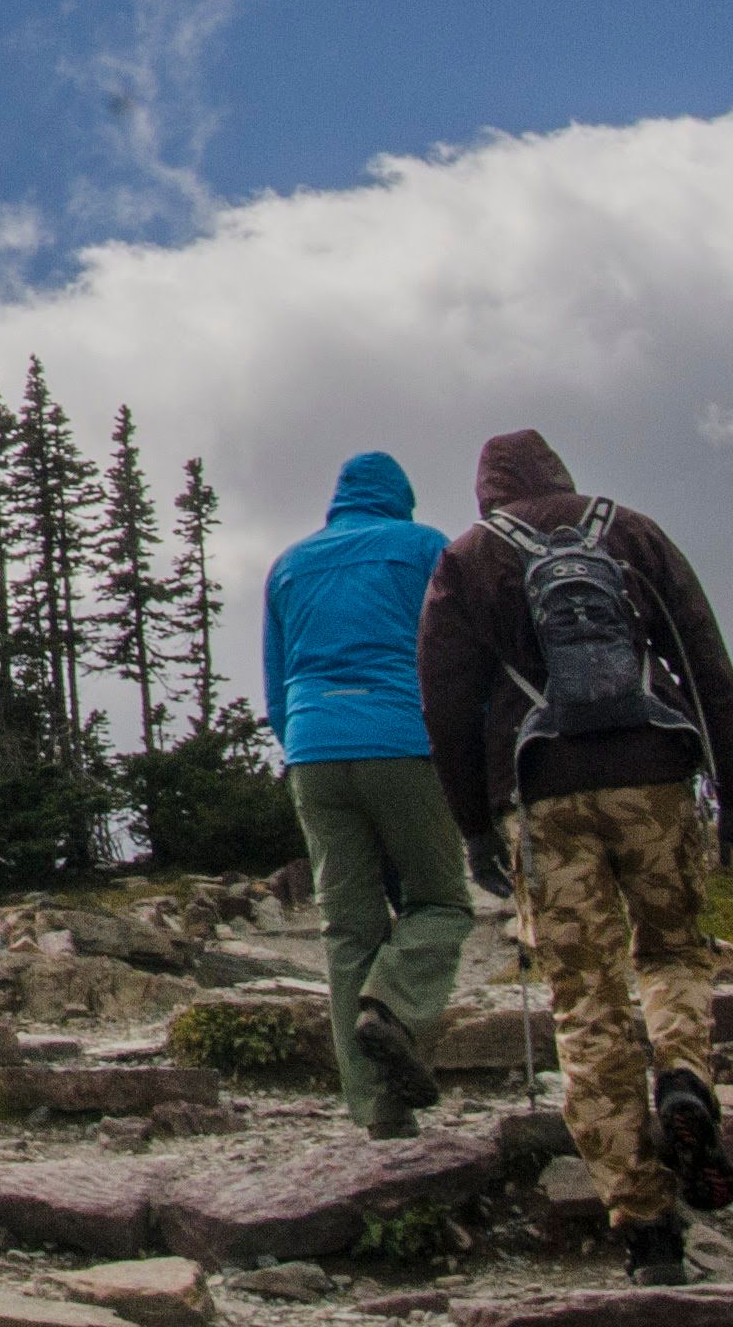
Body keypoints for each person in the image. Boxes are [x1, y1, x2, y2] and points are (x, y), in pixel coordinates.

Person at [418, 430, 733, 1289]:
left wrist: (473, 827)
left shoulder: (468, 560)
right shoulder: (633, 533)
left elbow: (446, 704)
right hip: (656, 776)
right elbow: (704, 659)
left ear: (487, 492)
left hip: (542, 795)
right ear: (560, 477)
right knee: (675, 951)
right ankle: (683, 1074)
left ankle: (646, 1226)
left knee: (585, 997)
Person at [263, 449, 466, 1134]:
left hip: (316, 748)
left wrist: (302, 746)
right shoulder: (425, 547)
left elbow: (274, 679)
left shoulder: (290, 564)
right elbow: (453, 654)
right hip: (402, 741)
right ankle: (391, 1006)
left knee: (348, 929)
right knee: (439, 900)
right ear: (399, 498)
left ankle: (379, 1114)